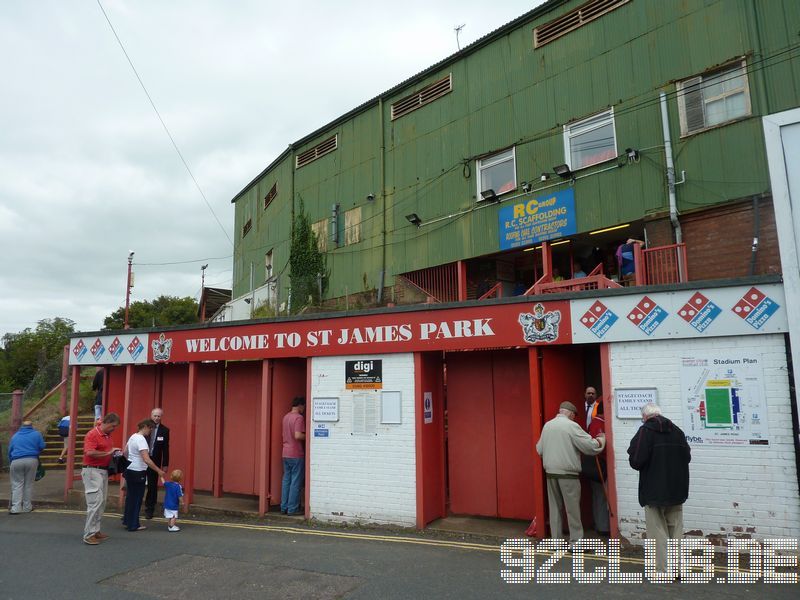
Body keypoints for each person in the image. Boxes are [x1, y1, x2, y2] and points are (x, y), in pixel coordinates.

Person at [627, 403, 691, 573]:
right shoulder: (677, 431)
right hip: (677, 488)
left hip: (654, 489)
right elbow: (687, 457)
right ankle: (677, 569)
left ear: (646, 417)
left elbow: (636, 460)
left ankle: (663, 570)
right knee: (676, 529)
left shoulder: (645, 431)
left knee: (658, 531)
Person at [536, 401, 605, 542]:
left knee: (554, 508)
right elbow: (589, 447)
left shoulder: (548, 426)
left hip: (550, 473)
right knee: (572, 510)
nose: (574, 418)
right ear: (571, 413)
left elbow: (539, 449)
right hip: (568, 474)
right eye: (574, 416)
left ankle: (556, 541)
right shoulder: (571, 426)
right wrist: (601, 440)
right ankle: (576, 542)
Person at [82, 413, 121, 545]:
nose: (114, 429)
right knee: (94, 501)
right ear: (107, 422)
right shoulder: (93, 434)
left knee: (101, 501)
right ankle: (88, 534)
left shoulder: (106, 435)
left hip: (102, 470)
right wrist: (108, 453)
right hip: (92, 470)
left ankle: (95, 530)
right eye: (113, 426)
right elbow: (89, 452)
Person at [123, 419, 165, 532]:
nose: (150, 431)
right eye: (150, 428)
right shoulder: (141, 440)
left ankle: (127, 520)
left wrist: (130, 461)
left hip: (130, 469)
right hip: (138, 471)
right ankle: (134, 525)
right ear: (145, 427)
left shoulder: (133, 436)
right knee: (137, 499)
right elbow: (146, 459)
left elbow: (125, 452)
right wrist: (158, 470)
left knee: (130, 497)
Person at [580, 387, 610, 536]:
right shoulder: (599, 423)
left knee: (599, 496)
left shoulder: (596, 422)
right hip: (601, 464)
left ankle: (602, 524)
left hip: (600, 462)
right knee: (601, 496)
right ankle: (603, 527)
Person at [8, 421, 45, 514]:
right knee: (28, 484)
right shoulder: (37, 434)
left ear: (22, 426)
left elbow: (10, 451)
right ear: (31, 426)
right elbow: (42, 446)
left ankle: (16, 508)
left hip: (16, 461)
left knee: (17, 484)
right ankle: (27, 507)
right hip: (31, 460)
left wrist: (11, 461)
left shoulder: (15, 436)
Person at [280, 397, 306, 516]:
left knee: (286, 480)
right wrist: (309, 436)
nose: (304, 409)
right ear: (300, 405)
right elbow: (297, 435)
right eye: (304, 407)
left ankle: (283, 507)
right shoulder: (299, 418)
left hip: (285, 453)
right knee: (296, 481)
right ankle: (292, 509)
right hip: (296, 453)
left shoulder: (286, 417)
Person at [144, 407, 170, 519]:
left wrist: (165, 464)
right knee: (138, 484)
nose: (156, 418)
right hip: (142, 459)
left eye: (159, 416)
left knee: (152, 486)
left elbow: (166, 448)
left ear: (161, 417)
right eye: (155, 415)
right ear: (151, 415)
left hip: (155, 461)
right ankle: (132, 509)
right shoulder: (145, 427)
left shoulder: (165, 430)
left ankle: (150, 509)